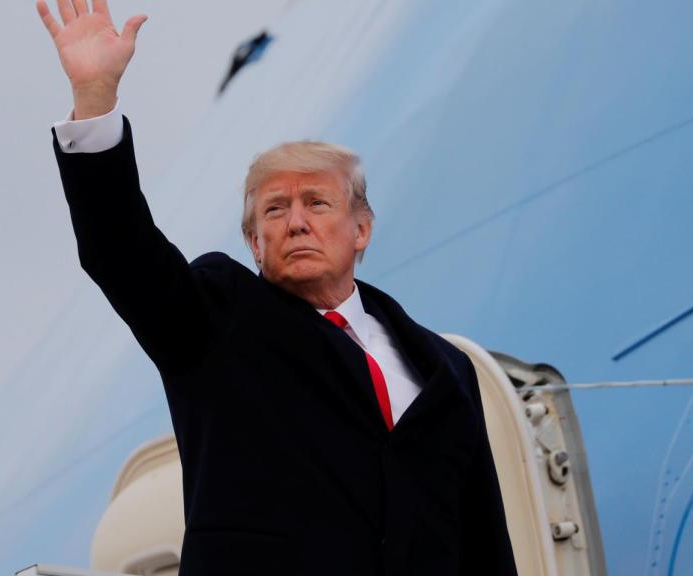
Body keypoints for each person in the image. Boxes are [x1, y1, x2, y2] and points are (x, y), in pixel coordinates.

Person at [36, 1, 517, 574]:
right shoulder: (219, 320)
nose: (296, 222)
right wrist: (95, 101)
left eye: (317, 203)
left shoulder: (445, 366)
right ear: (254, 242)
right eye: (275, 209)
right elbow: (123, 255)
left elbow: (483, 539)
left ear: (361, 230)